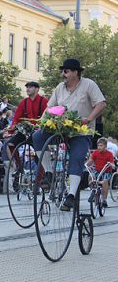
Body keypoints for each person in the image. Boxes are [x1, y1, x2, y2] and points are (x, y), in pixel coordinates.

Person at [33, 58, 106, 211]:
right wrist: (41, 121)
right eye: (62, 71)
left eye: (65, 71)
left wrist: (89, 118)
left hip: (81, 131)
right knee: (38, 136)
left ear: (75, 72)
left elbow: (101, 104)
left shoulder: (89, 85)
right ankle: (49, 173)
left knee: (77, 158)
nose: (63, 74)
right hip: (61, 129)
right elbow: (49, 108)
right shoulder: (60, 87)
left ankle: (71, 196)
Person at [86, 138, 114, 208]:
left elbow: (112, 164)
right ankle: (93, 191)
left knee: (105, 181)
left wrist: (111, 165)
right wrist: (87, 164)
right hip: (97, 171)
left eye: (101, 145)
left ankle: (104, 199)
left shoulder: (109, 154)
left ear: (105, 146)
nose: (99, 147)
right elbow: (90, 161)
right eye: (98, 145)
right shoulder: (95, 152)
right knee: (90, 176)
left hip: (105, 171)